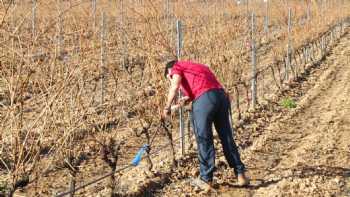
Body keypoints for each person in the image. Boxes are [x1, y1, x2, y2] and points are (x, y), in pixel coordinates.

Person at [162, 60, 249, 191]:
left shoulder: (176, 67)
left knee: (204, 139)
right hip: (220, 97)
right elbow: (206, 87)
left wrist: (166, 107)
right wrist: (186, 99)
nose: (171, 78)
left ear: (170, 71)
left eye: (169, 77)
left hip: (205, 101)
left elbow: (174, 87)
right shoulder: (198, 66)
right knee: (226, 137)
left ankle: (206, 179)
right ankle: (240, 174)